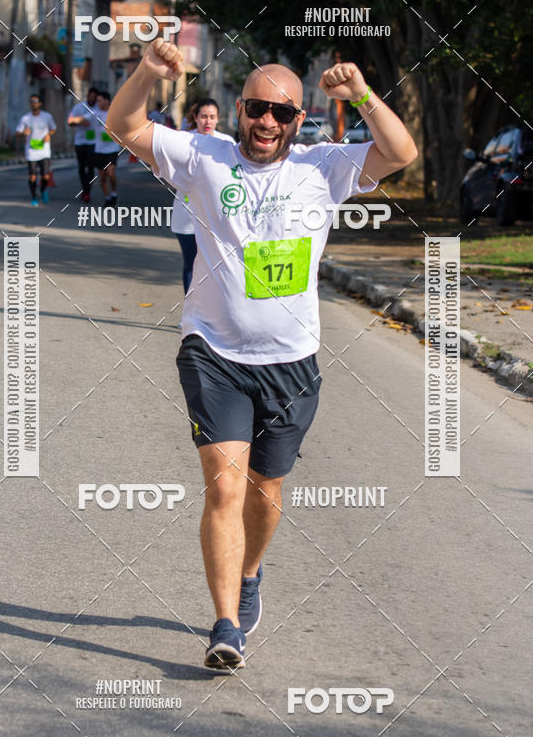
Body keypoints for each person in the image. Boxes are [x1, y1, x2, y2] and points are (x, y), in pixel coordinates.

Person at [106, 39, 417, 672]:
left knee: (265, 491)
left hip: (291, 363)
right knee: (224, 486)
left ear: (298, 121)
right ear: (238, 108)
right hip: (213, 353)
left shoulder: (322, 168)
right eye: (255, 109)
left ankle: (250, 574)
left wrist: (359, 93)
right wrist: (147, 70)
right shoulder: (203, 157)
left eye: (281, 113)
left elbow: (401, 152)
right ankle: (225, 625)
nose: (266, 123)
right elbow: (125, 125)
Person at [171, 99, 235, 293]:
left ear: (218, 119)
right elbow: (170, 172)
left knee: (216, 268)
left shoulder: (227, 143)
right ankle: (190, 316)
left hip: (217, 218)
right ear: (195, 118)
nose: (208, 121)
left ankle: (211, 317)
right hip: (186, 216)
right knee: (191, 264)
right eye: (204, 117)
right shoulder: (182, 141)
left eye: (212, 117)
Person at [16, 94, 56, 207]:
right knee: (32, 176)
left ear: (40, 103)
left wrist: (49, 134)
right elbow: (17, 133)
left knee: (45, 177)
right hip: (31, 151)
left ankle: (43, 191)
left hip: (44, 151)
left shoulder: (47, 116)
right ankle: (34, 197)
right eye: (32, 101)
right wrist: (23, 133)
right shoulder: (25, 118)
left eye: (36, 101)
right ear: (30, 104)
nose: (34, 103)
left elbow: (53, 128)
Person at [68, 87, 98, 202]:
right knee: (81, 168)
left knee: (90, 168)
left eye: (94, 98)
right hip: (80, 142)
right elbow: (70, 122)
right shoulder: (79, 107)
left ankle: (87, 192)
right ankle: (84, 190)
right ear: (87, 96)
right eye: (90, 97)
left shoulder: (98, 108)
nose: (92, 99)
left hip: (93, 142)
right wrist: (80, 122)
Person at [92, 91, 120, 207]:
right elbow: (83, 119)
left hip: (112, 149)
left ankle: (114, 192)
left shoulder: (115, 114)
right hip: (99, 150)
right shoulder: (95, 114)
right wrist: (74, 121)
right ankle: (108, 198)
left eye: (99, 100)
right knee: (102, 177)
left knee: (110, 173)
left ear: (106, 101)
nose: (97, 103)